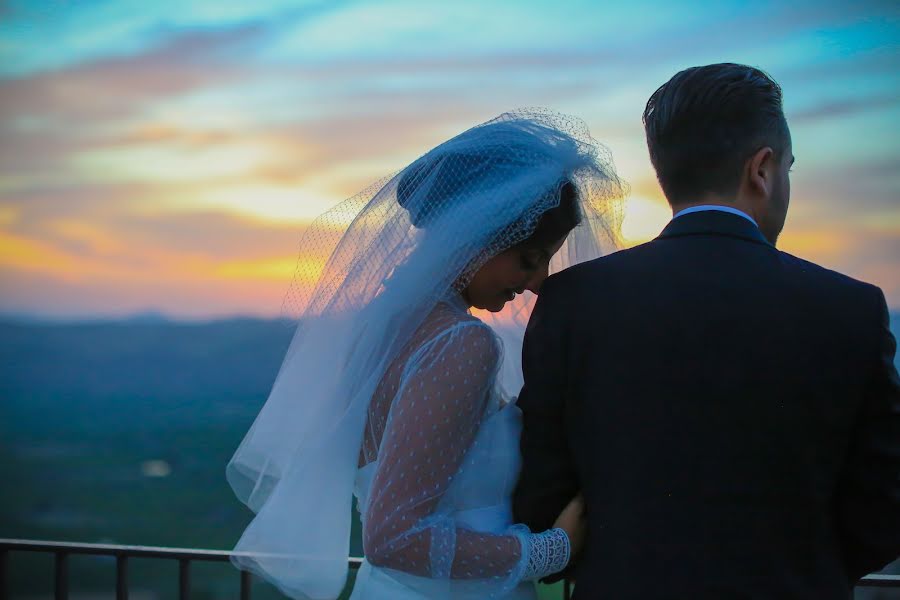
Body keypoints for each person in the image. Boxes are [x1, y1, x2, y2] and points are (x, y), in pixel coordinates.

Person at [513, 63, 900, 599]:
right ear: (762, 169)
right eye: (788, 166)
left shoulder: (572, 302)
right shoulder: (850, 308)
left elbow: (541, 500)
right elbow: (881, 511)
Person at [226, 110, 626, 599]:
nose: (537, 281)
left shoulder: (382, 326)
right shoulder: (459, 343)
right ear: (482, 235)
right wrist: (553, 550)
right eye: (529, 258)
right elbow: (394, 538)